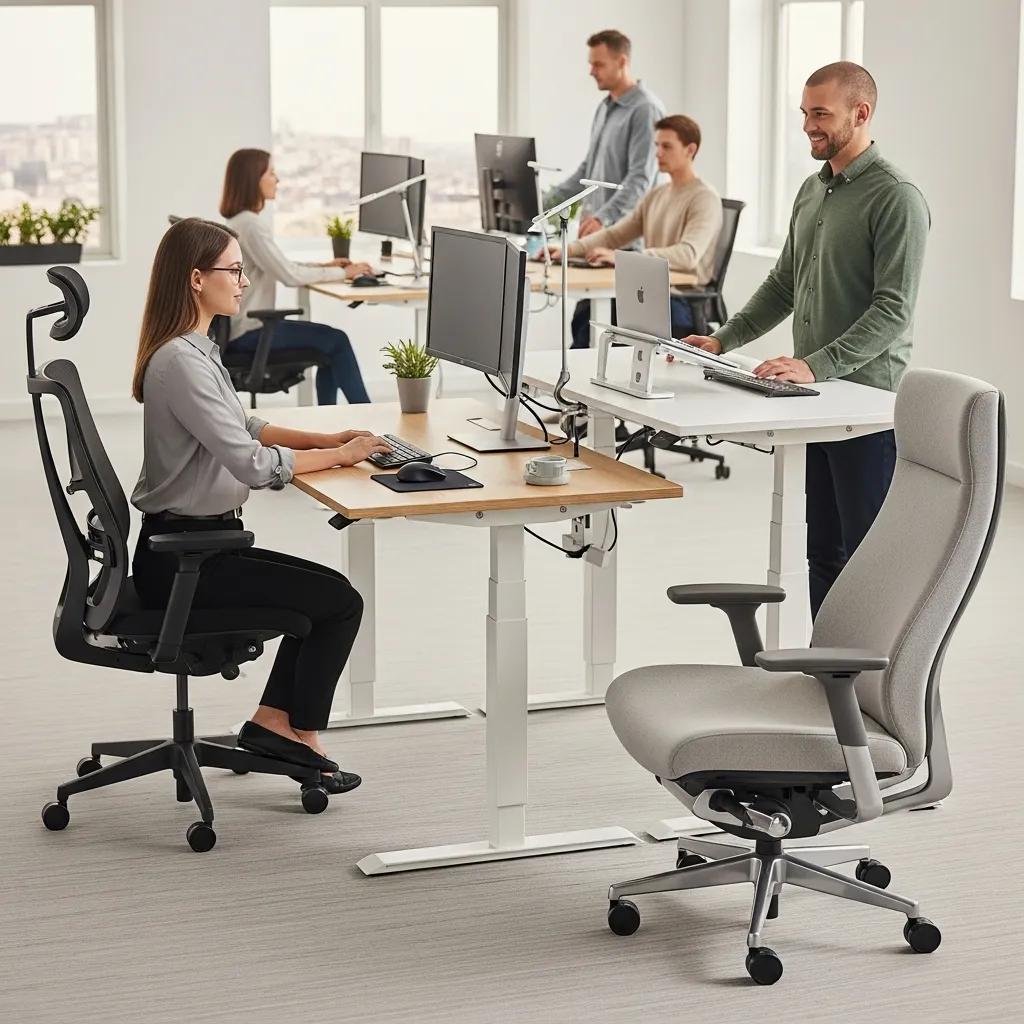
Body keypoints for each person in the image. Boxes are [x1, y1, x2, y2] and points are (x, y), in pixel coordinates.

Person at [130, 217, 394, 792]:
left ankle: (277, 725)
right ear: (197, 279)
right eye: (234, 269)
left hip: (198, 546)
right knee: (339, 603)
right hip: (185, 561)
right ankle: (290, 733)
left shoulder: (196, 351)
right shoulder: (180, 361)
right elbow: (252, 463)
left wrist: (326, 442)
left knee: (326, 600)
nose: (243, 280)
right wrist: (345, 455)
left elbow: (246, 425)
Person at [685, 62, 930, 617]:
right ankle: (830, 674)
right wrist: (723, 341)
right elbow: (784, 284)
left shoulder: (897, 197)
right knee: (823, 549)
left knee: (868, 555)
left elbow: (893, 311)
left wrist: (814, 365)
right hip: (814, 399)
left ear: (860, 114)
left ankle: (874, 684)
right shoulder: (812, 191)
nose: (807, 126)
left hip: (866, 404)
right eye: (804, 113)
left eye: (820, 114)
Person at [547, 114, 722, 348]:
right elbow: (614, 235)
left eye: (667, 146)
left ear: (690, 150)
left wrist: (624, 258)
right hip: (649, 293)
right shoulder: (657, 195)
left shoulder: (704, 198)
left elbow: (688, 255)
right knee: (587, 309)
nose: (658, 153)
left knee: (599, 314)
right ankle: (580, 379)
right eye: (656, 145)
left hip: (681, 302)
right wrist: (568, 250)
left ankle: (581, 378)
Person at [220, 148, 372, 405]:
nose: (277, 179)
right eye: (271, 173)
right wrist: (343, 272)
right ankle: (367, 418)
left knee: (329, 348)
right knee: (336, 342)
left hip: (242, 330)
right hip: (251, 333)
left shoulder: (238, 222)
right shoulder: (251, 226)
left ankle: (331, 423)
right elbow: (289, 275)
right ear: (252, 179)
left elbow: (280, 264)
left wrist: (325, 265)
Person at [546, 30, 665, 239]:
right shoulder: (605, 107)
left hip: (623, 241)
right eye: (591, 64)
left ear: (622, 62)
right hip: (595, 238)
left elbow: (640, 179)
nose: (591, 71)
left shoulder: (645, 110)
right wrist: (546, 203)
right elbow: (588, 169)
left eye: (598, 65)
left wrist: (602, 218)